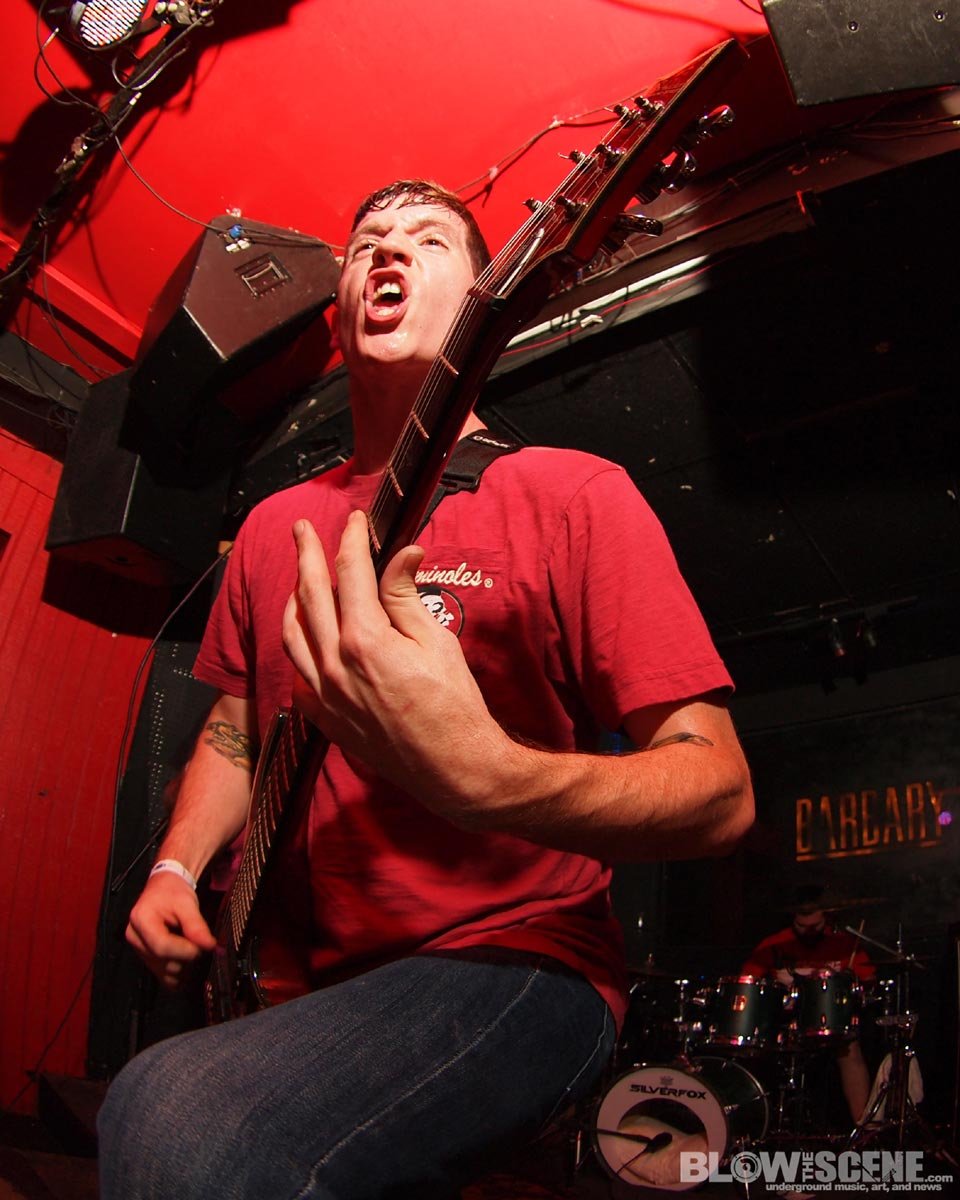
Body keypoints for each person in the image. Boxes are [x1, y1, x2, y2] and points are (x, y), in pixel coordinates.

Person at [97, 179, 754, 1200]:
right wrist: (178, 870)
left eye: (428, 239)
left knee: (170, 1111)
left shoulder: (569, 494)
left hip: (516, 960)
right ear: (340, 310)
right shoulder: (272, 528)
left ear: (483, 301)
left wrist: (494, 778)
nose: (388, 253)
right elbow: (235, 731)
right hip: (293, 976)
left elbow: (719, 789)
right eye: (368, 242)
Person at [742, 885, 875, 1125]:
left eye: (815, 926)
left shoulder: (845, 945)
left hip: (829, 1022)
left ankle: (863, 1127)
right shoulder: (774, 944)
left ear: (826, 916)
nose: (809, 932)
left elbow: (867, 982)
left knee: (850, 1047)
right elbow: (747, 983)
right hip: (783, 1022)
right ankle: (754, 1122)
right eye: (802, 926)